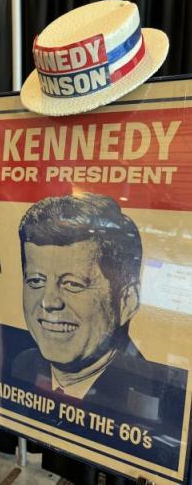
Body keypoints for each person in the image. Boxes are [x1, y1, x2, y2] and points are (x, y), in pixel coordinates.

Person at [11, 193, 187, 483]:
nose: (49, 302)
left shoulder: (153, 404)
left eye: (73, 284)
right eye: (36, 281)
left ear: (126, 301)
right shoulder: (22, 365)